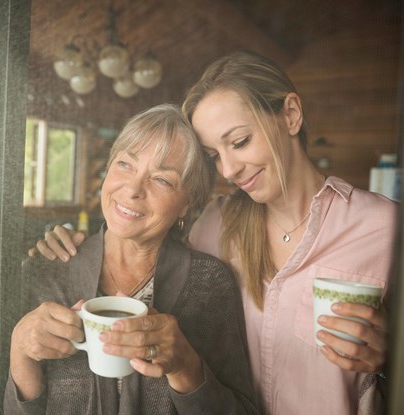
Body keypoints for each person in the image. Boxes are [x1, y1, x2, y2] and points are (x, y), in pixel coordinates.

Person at [30, 51, 397, 415]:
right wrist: (79, 248)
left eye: (239, 142)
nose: (230, 169)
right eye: (214, 156)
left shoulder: (383, 228)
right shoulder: (215, 227)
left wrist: (391, 360)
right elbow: (148, 231)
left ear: (291, 115)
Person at [4, 104, 258, 415]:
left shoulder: (209, 282)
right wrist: (21, 349)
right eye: (125, 164)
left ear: (186, 204)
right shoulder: (47, 270)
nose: (133, 189)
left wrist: (186, 366)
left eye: (162, 180)